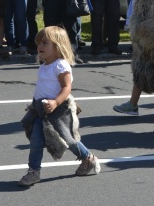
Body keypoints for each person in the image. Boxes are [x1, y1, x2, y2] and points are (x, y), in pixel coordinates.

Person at [18, 26, 100, 187]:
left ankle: (87, 157)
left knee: (67, 139)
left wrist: (55, 102)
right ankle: (33, 171)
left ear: (58, 46)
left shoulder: (61, 65)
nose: (39, 46)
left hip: (59, 110)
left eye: (45, 43)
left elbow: (66, 88)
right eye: (38, 43)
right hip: (41, 110)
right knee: (36, 141)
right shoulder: (44, 65)